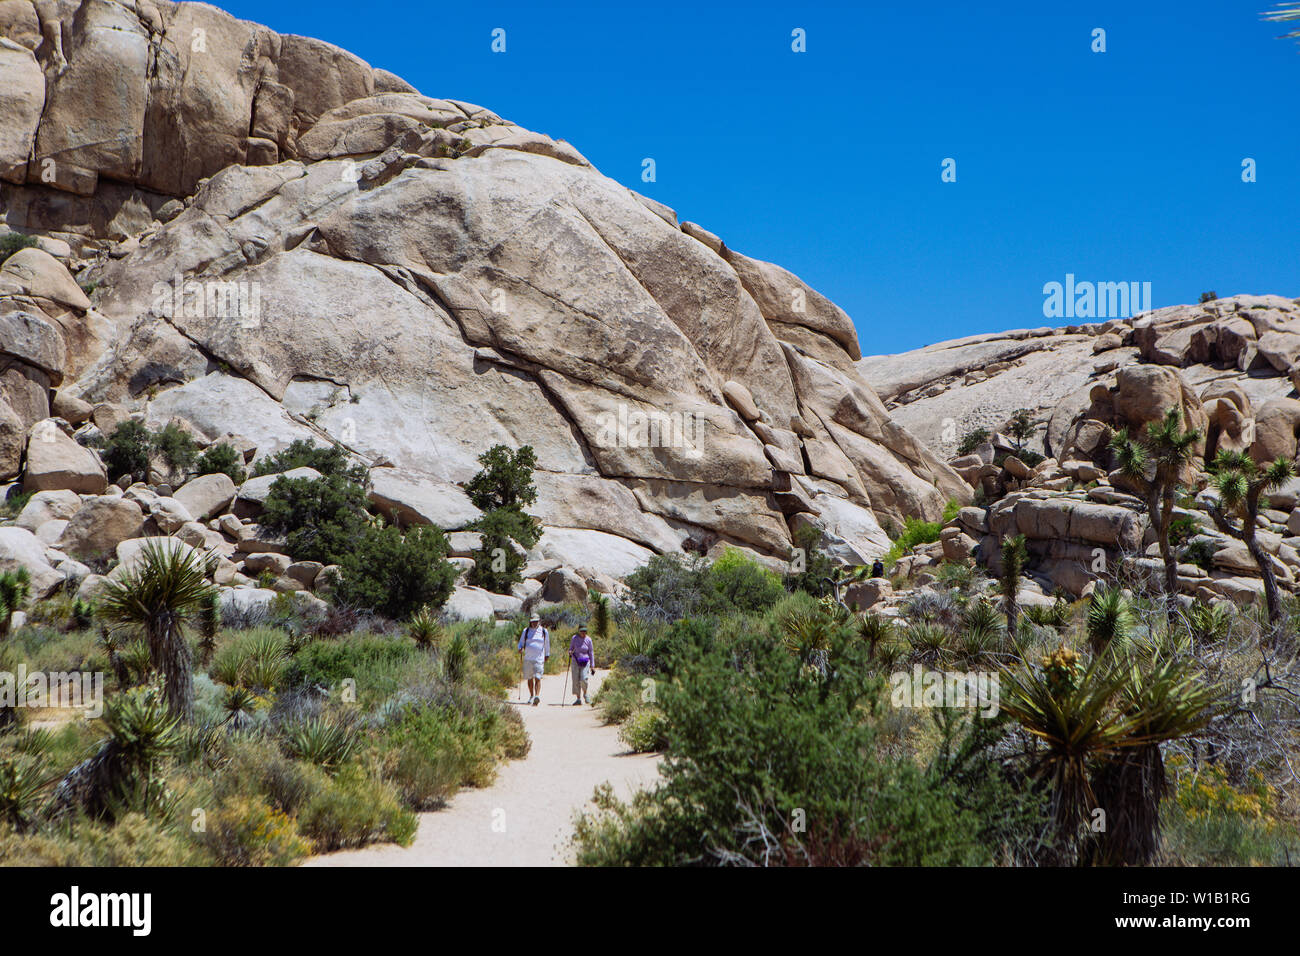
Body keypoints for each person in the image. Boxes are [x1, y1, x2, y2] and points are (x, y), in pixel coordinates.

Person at [517, 613, 550, 706]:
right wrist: (520, 648)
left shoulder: (544, 631)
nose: (534, 623)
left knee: (538, 677)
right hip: (528, 658)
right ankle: (531, 696)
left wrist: (547, 654)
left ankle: (537, 696)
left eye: (536, 622)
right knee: (529, 678)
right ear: (530, 622)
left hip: (539, 659)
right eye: (532, 622)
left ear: (539, 621)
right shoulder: (526, 631)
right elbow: (521, 642)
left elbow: (547, 643)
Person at [568, 623, 596, 706]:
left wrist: (592, 666)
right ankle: (578, 698)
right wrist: (570, 652)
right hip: (575, 661)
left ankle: (585, 693)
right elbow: (571, 648)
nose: (583, 632)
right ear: (579, 631)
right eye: (581, 631)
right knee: (575, 680)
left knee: (584, 678)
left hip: (585, 661)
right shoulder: (574, 638)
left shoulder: (589, 640)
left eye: (584, 631)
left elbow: (591, 652)